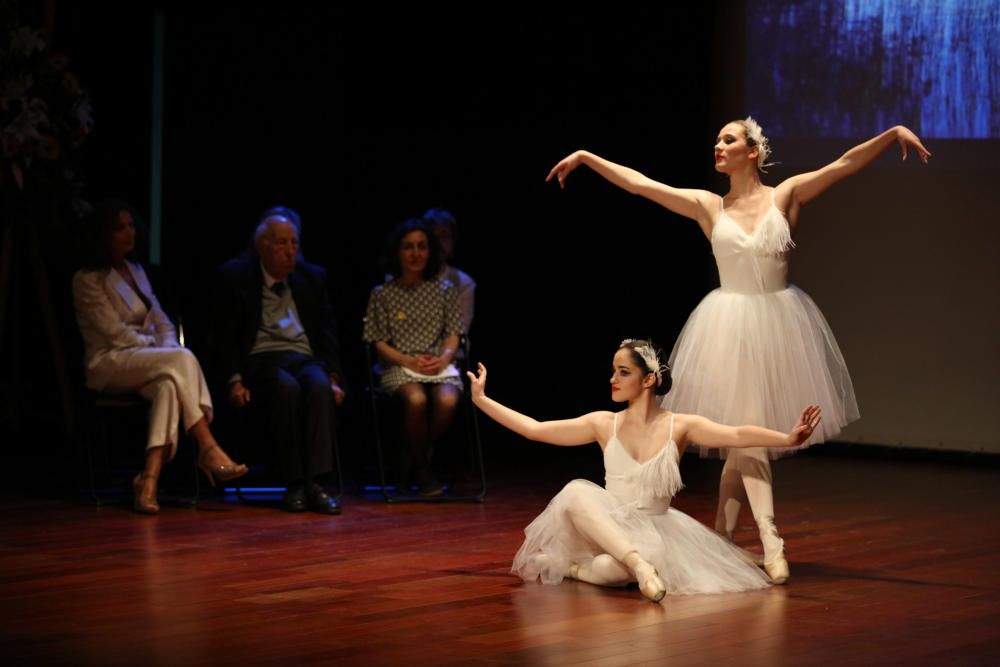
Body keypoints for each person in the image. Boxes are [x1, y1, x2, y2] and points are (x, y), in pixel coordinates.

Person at [547, 119, 931, 583]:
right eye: (717, 140)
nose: (718, 146)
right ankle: (767, 541)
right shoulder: (708, 206)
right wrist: (588, 157)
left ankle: (727, 543)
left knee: (741, 445)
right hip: (726, 330)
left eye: (728, 140)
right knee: (743, 441)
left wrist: (891, 135)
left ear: (753, 151)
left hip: (778, 326)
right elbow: (641, 185)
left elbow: (843, 165)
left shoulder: (785, 195)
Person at [467, 339, 821, 602]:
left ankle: (578, 568)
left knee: (607, 571)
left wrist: (787, 439)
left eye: (623, 372)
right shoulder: (604, 423)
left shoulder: (679, 425)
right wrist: (483, 400)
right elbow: (536, 429)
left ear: (649, 380)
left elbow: (737, 434)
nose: (613, 380)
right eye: (613, 372)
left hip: (655, 530)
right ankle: (638, 567)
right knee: (576, 492)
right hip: (606, 522)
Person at [71, 199, 248, 514]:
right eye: (120, 228)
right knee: (180, 360)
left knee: (169, 381)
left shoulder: (137, 272)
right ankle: (207, 446)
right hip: (109, 362)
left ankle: (148, 479)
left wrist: (162, 346)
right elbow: (113, 333)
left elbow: (162, 321)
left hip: (147, 361)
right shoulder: (87, 279)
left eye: (130, 226)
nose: (129, 233)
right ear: (103, 235)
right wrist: (160, 348)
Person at [209, 210, 345, 515]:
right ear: (262, 246)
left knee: (320, 386)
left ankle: (318, 484)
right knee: (286, 389)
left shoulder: (312, 278)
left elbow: (327, 334)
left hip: (303, 356)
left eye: (294, 243)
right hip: (261, 359)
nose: (290, 250)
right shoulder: (236, 278)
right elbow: (224, 336)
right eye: (282, 243)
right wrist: (234, 380)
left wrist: (335, 377)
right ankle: (293, 483)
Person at [363, 218, 464, 496]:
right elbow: (377, 341)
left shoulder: (443, 290)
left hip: (437, 365)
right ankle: (422, 467)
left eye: (422, 246)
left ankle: (411, 453)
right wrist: (406, 360)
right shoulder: (383, 293)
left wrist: (444, 358)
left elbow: (453, 333)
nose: (416, 253)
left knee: (447, 399)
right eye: (408, 247)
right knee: (416, 399)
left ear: (430, 251)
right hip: (401, 365)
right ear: (398, 252)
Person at [423, 208, 476, 337]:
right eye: (432, 236)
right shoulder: (402, 279)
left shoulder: (463, 283)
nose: (437, 243)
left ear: (452, 244)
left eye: (444, 236)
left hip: (449, 354)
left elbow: (459, 332)